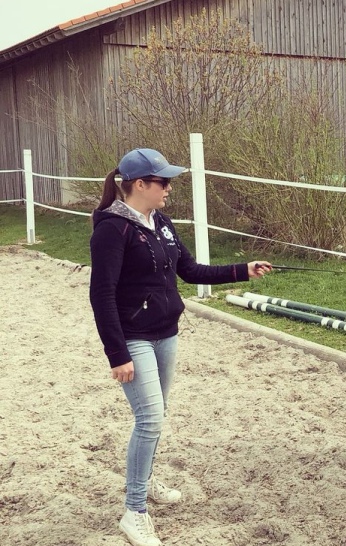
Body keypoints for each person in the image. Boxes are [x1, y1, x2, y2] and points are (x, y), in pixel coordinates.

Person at [89, 148, 272, 546]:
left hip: (166, 333)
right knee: (150, 419)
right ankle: (134, 512)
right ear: (140, 184)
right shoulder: (112, 229)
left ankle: (145, 479)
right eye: (163, 182)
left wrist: (242, 270)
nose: (169, 188)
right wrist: (117, 354)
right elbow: (101, 295)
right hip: (133, 338)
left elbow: (189, 270)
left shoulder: (161, 222)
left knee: (156, 415)